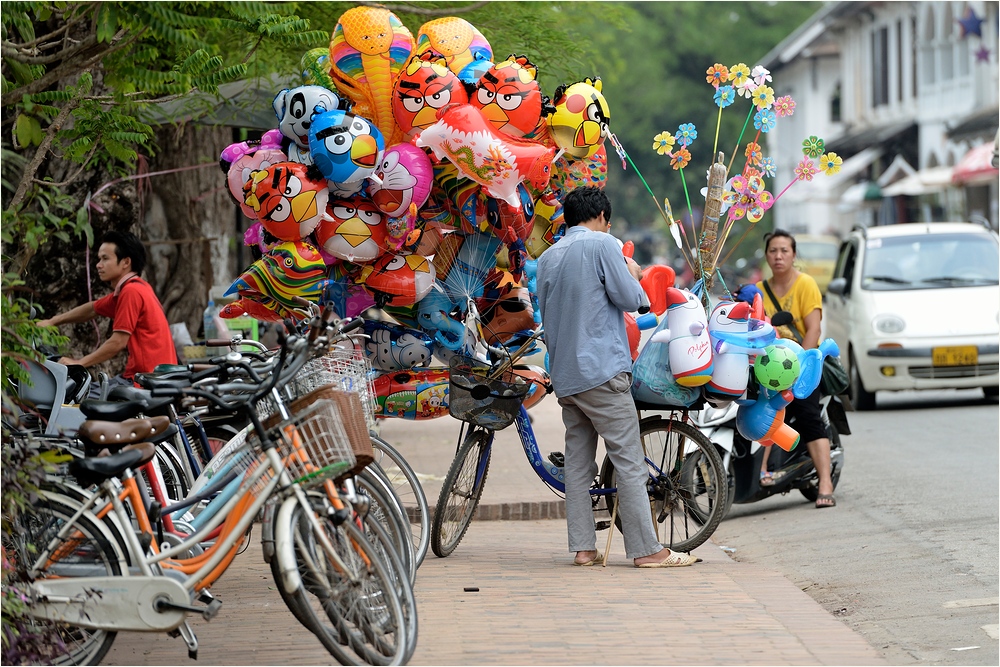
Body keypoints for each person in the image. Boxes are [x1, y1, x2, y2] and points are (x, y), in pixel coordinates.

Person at [536, 186, 699, 567]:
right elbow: (632, 299)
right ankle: (646, 550)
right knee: (628, 459)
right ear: (602, 218)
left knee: (578, 465)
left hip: (566, 375)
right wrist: (634, 272)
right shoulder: (603, 244)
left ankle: (583, 548)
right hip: (601, 371)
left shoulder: (548, 257)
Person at [38, 231, 177, 391]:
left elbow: (117, 342)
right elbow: (92, 308)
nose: (98, 264)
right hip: (148, 378)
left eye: (105, 258)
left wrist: (79, 363)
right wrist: (52, 321)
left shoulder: (131, 292)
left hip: (145, 381)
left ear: (125, 262)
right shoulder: (136, 288)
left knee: (81, 402)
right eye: (99, 259)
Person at [756, 229, 836, 508]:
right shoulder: (760, 290)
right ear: (766, 256)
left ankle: (825, 481)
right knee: (757, 412)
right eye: (773, 251)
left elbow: (813, 328)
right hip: (768, 368)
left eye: (784, 251)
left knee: (808, 415)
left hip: (801, 365)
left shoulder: (806, 285)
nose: (778, 256)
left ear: (793, 255)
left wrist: (802, 365)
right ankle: (761, 470)